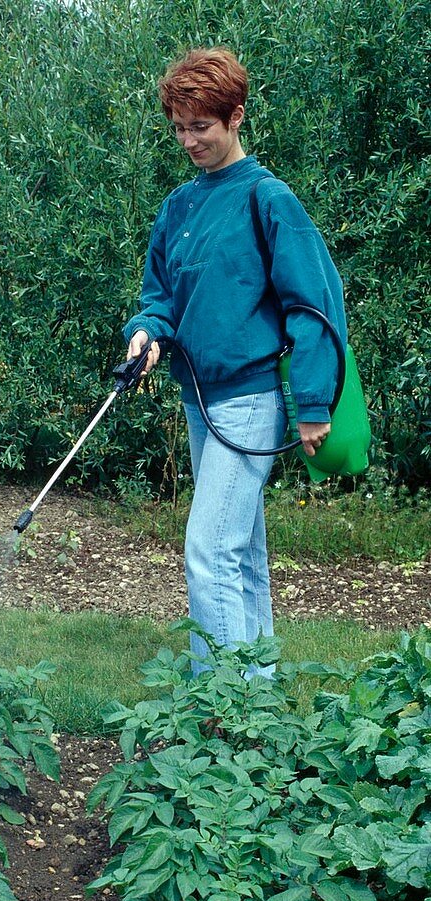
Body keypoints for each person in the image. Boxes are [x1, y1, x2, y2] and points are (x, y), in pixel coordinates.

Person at [124, 46, 347, 673]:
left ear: (235, 118)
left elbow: (314, 307)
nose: (189, 140)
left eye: (202, 126)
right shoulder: (179, 207)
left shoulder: (269, 200)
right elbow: (161, 298)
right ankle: (257, 701)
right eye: (179, 128)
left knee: (209, 548)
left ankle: (219, 707)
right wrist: (146, 335)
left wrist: (310, 402)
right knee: (241, 553)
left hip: (252, 400)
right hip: (200, 400)